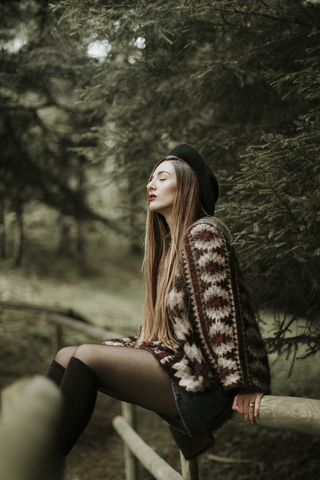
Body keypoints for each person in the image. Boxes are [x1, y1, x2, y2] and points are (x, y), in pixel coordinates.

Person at [46, 144, 270, 460]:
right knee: (65, 355)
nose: (151, 185)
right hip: (183, 369)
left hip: (207, 382)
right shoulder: (169, 251)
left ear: (188, 186)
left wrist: (243, 383)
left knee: (86, 356)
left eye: (162, 178)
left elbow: (222, 314)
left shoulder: (205, 233)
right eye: (151, 179)